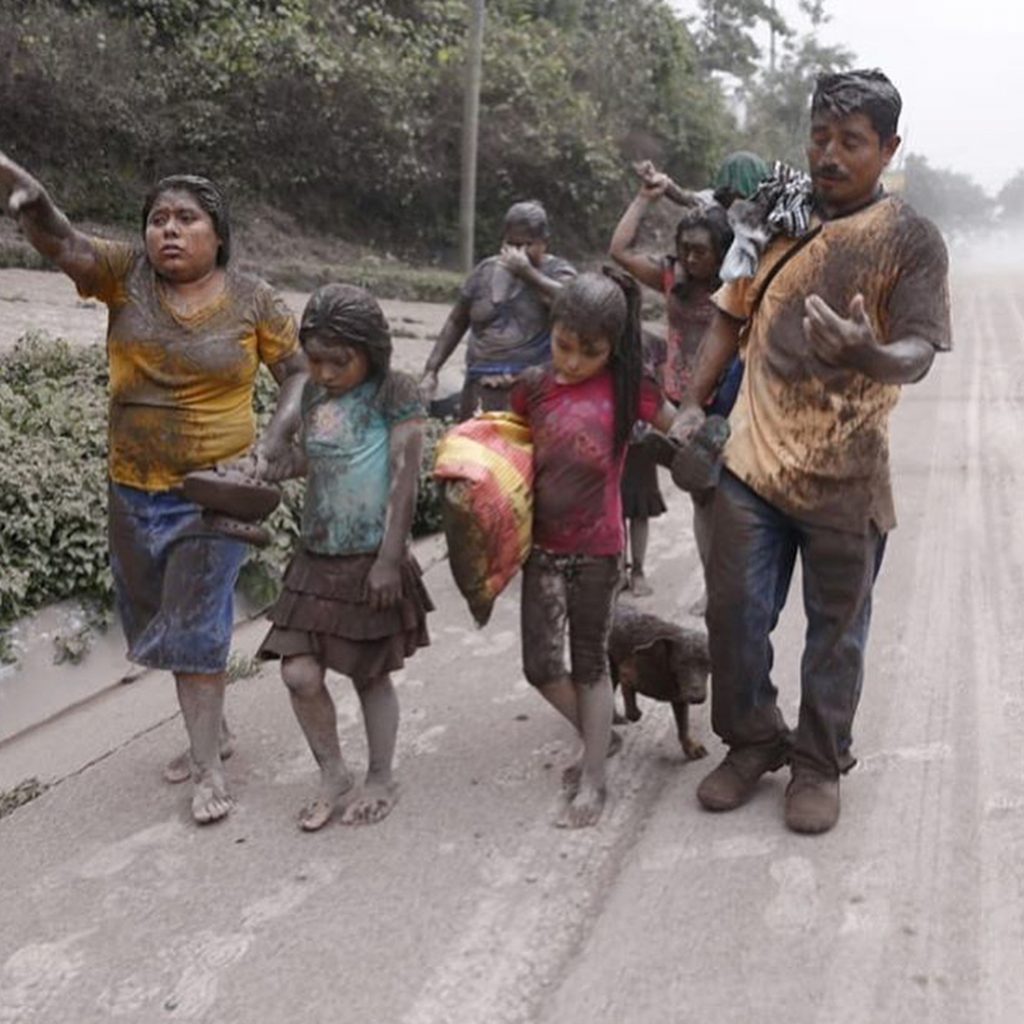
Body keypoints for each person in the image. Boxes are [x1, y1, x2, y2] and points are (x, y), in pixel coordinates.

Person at [669, 69, 952, 834]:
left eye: (851, 141)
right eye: (819, 137)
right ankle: (754, 739)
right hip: (752, 463)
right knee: (733, 614)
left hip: (846, 478)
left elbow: (920, 350)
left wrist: (871, 353)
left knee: (836, 632)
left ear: (889, 148)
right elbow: (728, 317)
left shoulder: (910, 240)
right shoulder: (776, 215)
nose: (829, 155)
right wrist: (693, 404)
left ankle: (820, 762)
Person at [0, 152, 306, 825]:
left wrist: (275, 442)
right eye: (158, 218)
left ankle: (207, 767)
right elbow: (64, 242)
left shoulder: (253, 298)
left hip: (216, 494)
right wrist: (28, 197)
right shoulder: (125, 275)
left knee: (195, 625)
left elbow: (299, 373)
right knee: (156, 624)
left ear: (218, 234)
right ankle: (216, 729)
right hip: (132, 492)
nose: (169, 229)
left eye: (186, 218)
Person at [257, 283, 432, 831]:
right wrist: (279, 465)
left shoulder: (394, 393)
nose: (326, 372)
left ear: (371, 352)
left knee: (369, 675)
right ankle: (333, 773)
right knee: (298, 673)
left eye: (339, 360)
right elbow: (316, 459)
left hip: (369, 559)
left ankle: (380, 777)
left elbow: (404, 481)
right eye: (315, 359)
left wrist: (389, 560)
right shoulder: (313, 394)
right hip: (316, 558)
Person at [510, 269, 676, 829]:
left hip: (599, 552)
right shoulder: (533, 386)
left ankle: (594, 781)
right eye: (563, 345)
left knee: (589, 666)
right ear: (552, 328)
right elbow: (506, 449)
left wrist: (698, 435)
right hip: (542, 548)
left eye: (590, 352)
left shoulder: (629, 391)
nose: (573, 361)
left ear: (614, 348)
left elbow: (679, 423)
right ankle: (599, 735)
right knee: (539, 666)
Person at [609, 189, 735, 582]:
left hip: (725, 400)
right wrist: (644, 198)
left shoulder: (738, 284)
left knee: (726, 499)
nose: (691, 258)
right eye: (685, 249)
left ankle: (721, 586)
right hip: (679, 403)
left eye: (700, 251)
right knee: (702, 495)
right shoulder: (670, 276)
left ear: (722, 252)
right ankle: (713, 586)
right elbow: (619, 251)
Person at [420, 200, 575, 419]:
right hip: (479, 387)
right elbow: (456, 321)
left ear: (544, 242)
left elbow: (576, 303)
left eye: (526, 245)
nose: (517, 253)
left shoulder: (557, 272)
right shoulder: (484, 271)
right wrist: (431, 370)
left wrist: (528, 273)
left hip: (530, 391)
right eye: (511, 244)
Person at [619, 330, 668, 597]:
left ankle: (638, 570)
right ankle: (619, 571)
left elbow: (660, 391)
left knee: (639, 509)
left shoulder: (653, 342)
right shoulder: (603, 337)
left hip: (640, 439)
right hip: (611, 440)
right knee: (614, 510)